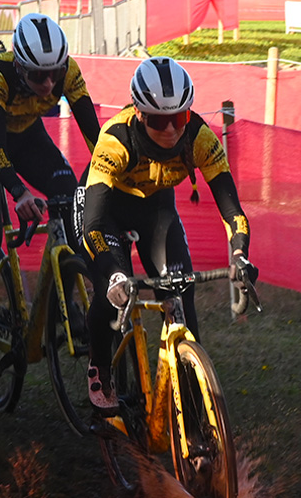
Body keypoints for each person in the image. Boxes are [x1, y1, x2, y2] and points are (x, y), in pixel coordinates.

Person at [80, 56, 256, 409]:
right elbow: (93, 224)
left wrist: (239, 254)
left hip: (155, 208)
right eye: (161, 120)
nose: (172, 130)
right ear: (140, 114)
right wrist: (115, 274)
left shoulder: (200, 139)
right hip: (106, 210)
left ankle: (193, 397)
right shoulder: (116, 139)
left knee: (181, 290)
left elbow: (233, 211)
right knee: (108, 291)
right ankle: (99, 367)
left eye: (179, 117)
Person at [0, 13, 101, 379]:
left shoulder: (67, 73)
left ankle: (66, 305)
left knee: (70, 201)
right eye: (38, 76)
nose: (48, 83)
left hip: (27, 140)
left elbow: (95, 137)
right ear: (20, 67)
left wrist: (108, 177)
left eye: (55, 73)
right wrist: (18, 192)